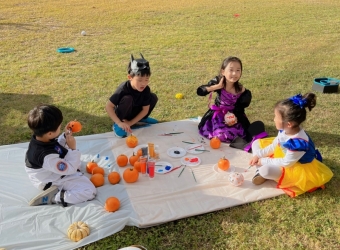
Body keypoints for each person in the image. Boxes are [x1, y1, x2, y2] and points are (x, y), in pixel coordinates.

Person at [250, 93, 333, 197]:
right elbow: (274, 145)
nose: (274, 119)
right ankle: (260, 171)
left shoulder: (298, 143)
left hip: (296, 166)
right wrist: (258, 155)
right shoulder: (284, 129)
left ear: (289, 123)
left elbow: (286, 163)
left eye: (276, 117)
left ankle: (261, 171)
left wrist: (263, 161)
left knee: (265, 170)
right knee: (256, 143)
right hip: (283, 155)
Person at [25, 105, 97, 207]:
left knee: (74, 161)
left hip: (48, 170)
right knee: (89, 191)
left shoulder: (41, 138)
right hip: (49, 180)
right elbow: (70, 169)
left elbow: (56, 147)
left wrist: (64, 137)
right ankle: (55, 196)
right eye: (59, 126)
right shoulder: (46, 156)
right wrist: (73, 149)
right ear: (50, 133)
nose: (61, 127)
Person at [197, 56, 252, 143]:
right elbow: (200, 91)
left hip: (233, 115)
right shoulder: (218, 82)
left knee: (239, 134)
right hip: (218, 115)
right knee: (220, 135)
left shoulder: (241, 89)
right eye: (231, 70)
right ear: (223, 71)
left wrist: (235, 117)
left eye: (238, 70)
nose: (234, 73)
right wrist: (217, 86)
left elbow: (241, 107)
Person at [105, 53, 158, 138]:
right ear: (130, 77)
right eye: (139, 80)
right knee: (128, 98)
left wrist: (130, 123)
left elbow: (145, 110)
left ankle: (142, 119)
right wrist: (119, 122)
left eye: (146, 80)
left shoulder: (146, 89)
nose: (143, 83)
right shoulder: (123, 89)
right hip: (124, 114)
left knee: (153, 97)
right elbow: (109, 106)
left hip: (135, 111)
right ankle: (118, 125)